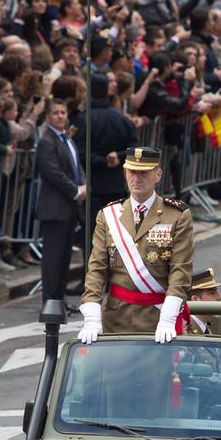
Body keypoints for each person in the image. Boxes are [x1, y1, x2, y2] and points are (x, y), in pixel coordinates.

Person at [78, 145, 195, 342]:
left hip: (157, 318)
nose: (137, 178)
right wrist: (91, 315)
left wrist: (168, 317)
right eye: (132, 172)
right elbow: (97, 268)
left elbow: (180, 270)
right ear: (125, 173)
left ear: (157, 175)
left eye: (143, 173)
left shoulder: (177, 215)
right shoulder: (108, 216)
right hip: (116, 318)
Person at [33, 100, 87, 309]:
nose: (60, 116)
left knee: (64, 257)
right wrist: (75, 191)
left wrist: (83, 186)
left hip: (70, 206)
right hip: (54, 206)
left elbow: (76, 167)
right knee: (53, 257)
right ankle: (50, 300)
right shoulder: (47, 142)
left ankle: (59, 299)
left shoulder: (66, 139)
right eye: (55, 113)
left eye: (63, 112)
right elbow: (53, 173)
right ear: (48, 116)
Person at [83, 73, 137, 208]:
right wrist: (118, 156)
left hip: (91, 186)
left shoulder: (83, 119)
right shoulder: (121, 119)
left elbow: (79, 152)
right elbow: (134, 147)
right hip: (115, 186)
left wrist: (108, 159)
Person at [186, 267, 221, 335]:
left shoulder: (202, 327)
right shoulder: (188, 332)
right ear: (195, 300)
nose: (220, 297)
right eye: (212, 293)